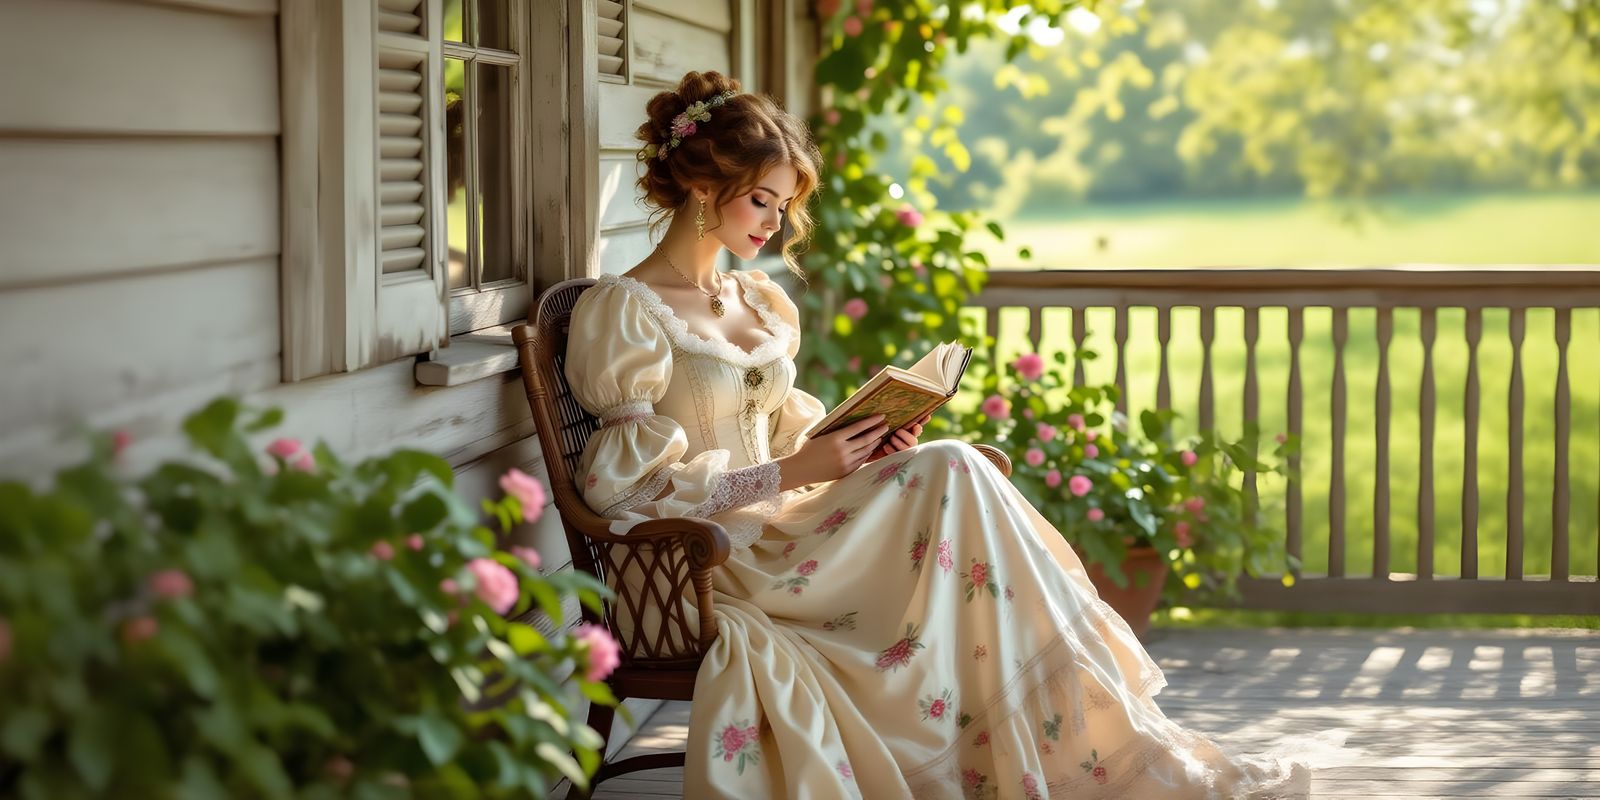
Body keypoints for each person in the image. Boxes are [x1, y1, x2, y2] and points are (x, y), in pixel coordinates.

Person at [565, 70, 1326, 799]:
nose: (776, 224)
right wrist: (798, 472)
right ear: (703, 188)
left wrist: (861, 441)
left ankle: (1096, 733)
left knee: (949, 464)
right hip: (711, 561)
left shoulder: (756, 299)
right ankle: (1069, 724)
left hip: (789, 529)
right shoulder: (626, 310)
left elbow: (785, 428)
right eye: (761, 202)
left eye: (784, 206)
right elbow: (625, 488)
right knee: (956, 470)